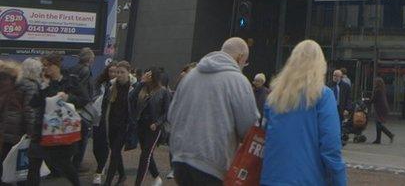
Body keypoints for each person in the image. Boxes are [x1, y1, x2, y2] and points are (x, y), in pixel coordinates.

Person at [168, 37, 260, 185]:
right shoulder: (238, 81)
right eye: (245, 62)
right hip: (212, 164)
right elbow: (249, 129)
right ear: (240, 57)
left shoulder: (190, 76)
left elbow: (171, 114)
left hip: (180, 159)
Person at [260, 40, 347, 185]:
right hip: (307, 179)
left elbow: (266, 137)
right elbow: (330, 146)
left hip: (272, 178)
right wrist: (340, 181)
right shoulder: (323, 96)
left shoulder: (274, 97)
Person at [29, 53, 89, 186]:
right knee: (33, 164)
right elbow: (33, 103)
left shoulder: (71, 80)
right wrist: (42, 88)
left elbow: (84, 99)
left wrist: (69, 98)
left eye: (48, 65)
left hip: (63, 129)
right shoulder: (44, 82)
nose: (46, 69)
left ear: (56, 65)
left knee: (64, 164)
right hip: (42, 129)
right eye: (44, 66)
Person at [130, 67, 169, 186]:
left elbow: (166, 112)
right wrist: (141, 83)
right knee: (146, 153)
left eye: (149, 76)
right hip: (142, 124)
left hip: (154, 127)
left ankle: (138, 183)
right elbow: (131, 98)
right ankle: (156, 176)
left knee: (145, 155)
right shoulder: (143, 89)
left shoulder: (163, 92)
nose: (147, 78)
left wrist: (157, 123)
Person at [102, 63, 133, 186]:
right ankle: (122, 174)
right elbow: (106, 104)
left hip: (124, 126)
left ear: (128, 72)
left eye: (122, 72)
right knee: (115, 151)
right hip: (112, 123)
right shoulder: (111, 86)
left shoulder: (133, 88)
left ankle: (108, 181)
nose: (118, 75)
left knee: (114, 152)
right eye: (117, 72)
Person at [68, 47, 95, 172]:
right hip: (82, 108)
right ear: (89, 59)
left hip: (71, 107)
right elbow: (84, 90)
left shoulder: (72, 69)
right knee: (83, 137)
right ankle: (76, 165)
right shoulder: (85, 70)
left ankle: (69, 163)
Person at [16, 58, 43, 186]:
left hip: (15, 125)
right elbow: (30, 110)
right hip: (24, 128)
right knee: (26, 162)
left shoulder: (18, 82)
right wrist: (32, 131)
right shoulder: (32, 85)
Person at [91, 63, 118, 184]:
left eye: (115, 72)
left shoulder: (118, 86)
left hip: (109, 119)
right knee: (96, 147)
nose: (112, 74)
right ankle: (102, 165)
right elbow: (93, 96)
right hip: (97, 117)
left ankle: (99, 170)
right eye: (110, 71)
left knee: (105, 145)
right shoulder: (101, 84)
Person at [0, 61, 28, 178]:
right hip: (13, 129)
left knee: (5, 160)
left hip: (7, 128)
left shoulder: (5, 84)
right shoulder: (16, 83)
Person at [370, 78, 394, 144]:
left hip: (380, 108)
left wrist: (367, 101)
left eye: (375, 82)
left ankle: (390, 135)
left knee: (378, 124)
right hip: (383, 108)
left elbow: (374, 99)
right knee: (378, 123)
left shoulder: (378, 90)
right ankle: (378, 139)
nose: (374, 83)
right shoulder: (382, 89)